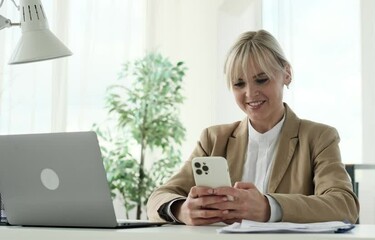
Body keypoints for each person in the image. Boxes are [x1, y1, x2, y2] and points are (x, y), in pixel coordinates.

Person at [147, 29, 359, 225]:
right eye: (239, 84)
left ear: (287, 73)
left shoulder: (319, 137)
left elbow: (344, 205)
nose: (250, 93)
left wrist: (269, 207)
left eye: (261, 80)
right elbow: (158, 197)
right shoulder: (213, 139)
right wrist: (180, 210)